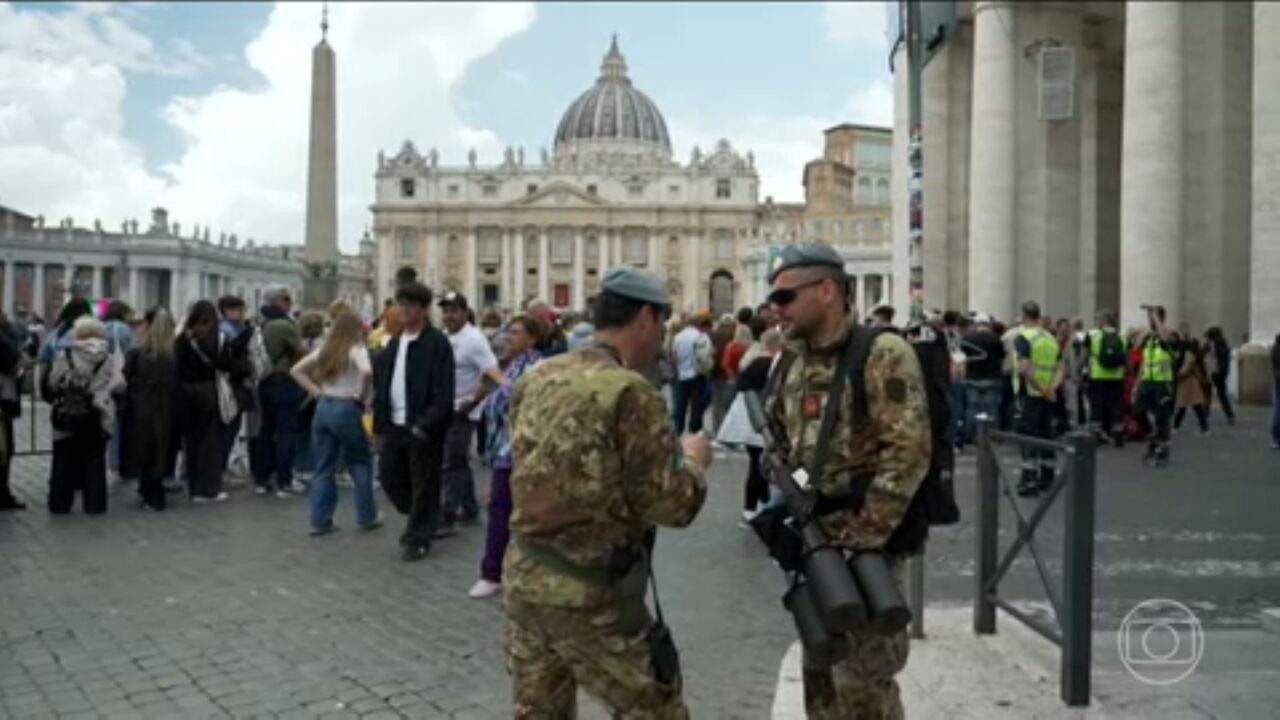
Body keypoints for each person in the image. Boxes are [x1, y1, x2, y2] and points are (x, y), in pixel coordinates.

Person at [504, 267, 711, 718]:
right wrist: (694, 461)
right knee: (654, 709)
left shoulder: (537, 377)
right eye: (662, 322)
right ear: (645, 319)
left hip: (526, 577)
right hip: (589, 592)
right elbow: (672, 505)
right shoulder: (630, 391)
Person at [763, 244, 931, 718]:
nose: (776, 309)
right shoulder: (791, 360)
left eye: (785, 297)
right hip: (814, 542)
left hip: (864, 549)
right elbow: (782, 439)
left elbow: (908, 451)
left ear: (827, 291)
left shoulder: (881, 352)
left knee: (864, 682)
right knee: (821, 670)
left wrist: (862, 539)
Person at [371, 282, 455, 562]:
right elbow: (382, 387)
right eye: (401, 304)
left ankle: (417, 538)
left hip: (421, 427)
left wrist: (426, 424)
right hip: (394, 425)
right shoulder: (394, 343)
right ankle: (428, 515)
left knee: (424, 482)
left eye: (410, 305)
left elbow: (444, 391)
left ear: (423, 309)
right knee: (390, 477)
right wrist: (379, 427)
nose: (404, 310)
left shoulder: (436, 343)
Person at [469, 314, 544, 599]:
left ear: (532, 338)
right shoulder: (509, 365)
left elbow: (523, 402)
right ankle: (495, 571)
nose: (509, 338)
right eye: (508, 332)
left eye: (516, 333)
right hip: (502, 448)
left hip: (522, 450)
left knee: (513, 510)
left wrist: (500, 381)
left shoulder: (538, 367)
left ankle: (500, 572)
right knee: (500, 509)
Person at [290, 311, 381, 536]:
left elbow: (296, 370)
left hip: (324, 407)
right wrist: (360, 394)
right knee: (360, 462)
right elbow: (366, 371)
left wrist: (316, 391)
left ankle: (320, 520)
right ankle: (367, 516)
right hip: (346, 406)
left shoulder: (325, 350)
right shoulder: (356, 349)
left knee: (323, 467)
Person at [437, 291, 504, 528]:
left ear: (465, 313)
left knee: (451, 461)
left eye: (454, 311)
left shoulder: (474, 339)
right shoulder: (444, 336)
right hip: (446, 408)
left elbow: (493, 375)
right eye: (445, 311)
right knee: (457, 460)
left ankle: (448, 514)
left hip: (463, 409)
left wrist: (474, 402)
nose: (449, 316)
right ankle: (469, 507)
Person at [46, 316, 117, 514]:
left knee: (63, 461)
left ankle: (60, 504)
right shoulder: (108, 357)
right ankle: (95, 504)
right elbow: (118, 383)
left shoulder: (67, 354)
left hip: (68, 412)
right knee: (94, 461)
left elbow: (53, 382)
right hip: (97, 413)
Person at [174, 301, 231, 503]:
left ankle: (194, 486)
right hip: (207, 389)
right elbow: (224, 363)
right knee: (209, 440)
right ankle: (209, 489)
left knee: (191, 441)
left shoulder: (182, 337)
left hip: (185, 390)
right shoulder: (215, 337)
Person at [123, 309, 178, 511]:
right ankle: (155, 493)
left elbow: (126, 378)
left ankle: (149, 493)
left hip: (141, 406)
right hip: (166, 407)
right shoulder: (172, 354)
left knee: (144, 450)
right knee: (161, 450)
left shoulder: (138, 352)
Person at [255, 285, 307, 497]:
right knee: (287, 431)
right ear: (276, 301)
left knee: (266, 431)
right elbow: (302, 351)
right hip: (284, 381)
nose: (289, 302)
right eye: (286, 299)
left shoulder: (262, 322)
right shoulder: (283, 325)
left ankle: (262, 478)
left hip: (265, 381)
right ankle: (285, 480)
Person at [1013, 301, 1064, 497]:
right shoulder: (1050, 338)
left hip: (1029, 394)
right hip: (1048, 395)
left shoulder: (1024, 337)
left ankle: (1029, 480)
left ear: (1024, 316)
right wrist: (1051, 389)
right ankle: (1048, 478)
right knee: (1046, 435)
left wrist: (1042, 389)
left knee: (1028, 438)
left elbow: (1025, 369)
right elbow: (1061, 368)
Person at [1133, 306, 1177, 466]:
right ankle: (1153, 436)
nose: (1150, 320)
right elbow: (1137, 348)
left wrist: (1157, 319)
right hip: (1147, 380)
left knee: (1161, 416)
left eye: (1153, 317)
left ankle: (1162, 448)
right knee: (1138, 410)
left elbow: (1165, 338)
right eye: (1149, 318)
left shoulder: (1171, 335)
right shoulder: (1149, 338)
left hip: (1163, 382)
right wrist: (1137, 384)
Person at [962, 313, 1006, 445]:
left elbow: (962, 356)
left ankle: (970, 436)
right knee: (991, 408)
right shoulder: (996, 338)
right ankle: (991, 436)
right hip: (992, 377)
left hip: (972, 377)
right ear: (988, 324)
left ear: (976, 323)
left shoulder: (968, 338)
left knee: (972, 408)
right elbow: (1002, 356)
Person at [1087, 310, 1129, 447]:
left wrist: (1081, 372)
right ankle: (1118, 434)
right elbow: (1126, 358)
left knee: (1097, 406)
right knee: (1116, 406)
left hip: (1098, 376)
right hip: (1117, 376)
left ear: (1103, 321)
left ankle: (1096, 434)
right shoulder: (1122, 336)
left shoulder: (1093, 335)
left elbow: (1085, 355)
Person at [670, 311, 713, 434]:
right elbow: (705, 357)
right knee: (696, 406)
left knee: (681, 405)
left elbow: (674, 356)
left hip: (682, 374)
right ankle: (694, 431)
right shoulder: (701, 336)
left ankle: (678, 430)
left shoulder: (678, 337)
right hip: (697, 374)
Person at [0, 311, 26, 510]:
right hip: (2, 400)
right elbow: (12, 364)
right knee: (4, 449)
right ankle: (2, 495)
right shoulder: (3, 340)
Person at [1173, 334, 1212, 434]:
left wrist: (1176, 376)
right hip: (1190, 383)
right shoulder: (1192, 354)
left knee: (1185, 407)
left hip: (1188, 383)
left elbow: (1185, 369)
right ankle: (1204, 428)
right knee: (1194, 407)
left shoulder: (1188, 355)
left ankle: (1176, 426)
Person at [1203, 326, 1236, 425]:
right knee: (1222, 395)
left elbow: (1205, 354)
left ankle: (1205, 414)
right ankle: (1230, 415)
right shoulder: (1223, 344)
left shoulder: (1213, 345)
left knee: (1208, 394)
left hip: (1212, 371)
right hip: (1219, 373)